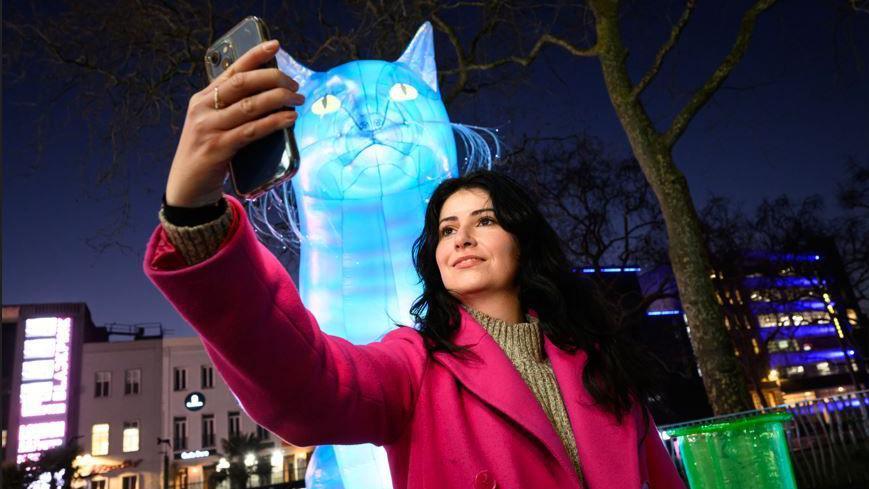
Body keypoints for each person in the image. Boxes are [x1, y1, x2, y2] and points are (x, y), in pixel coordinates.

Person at [145, 39, 686, 489]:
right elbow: (303, 382)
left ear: (525, 243)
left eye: (485, 221)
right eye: (447, 229)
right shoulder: (414, 364)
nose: (462, 238)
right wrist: (197, 219)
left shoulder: (599, 364)